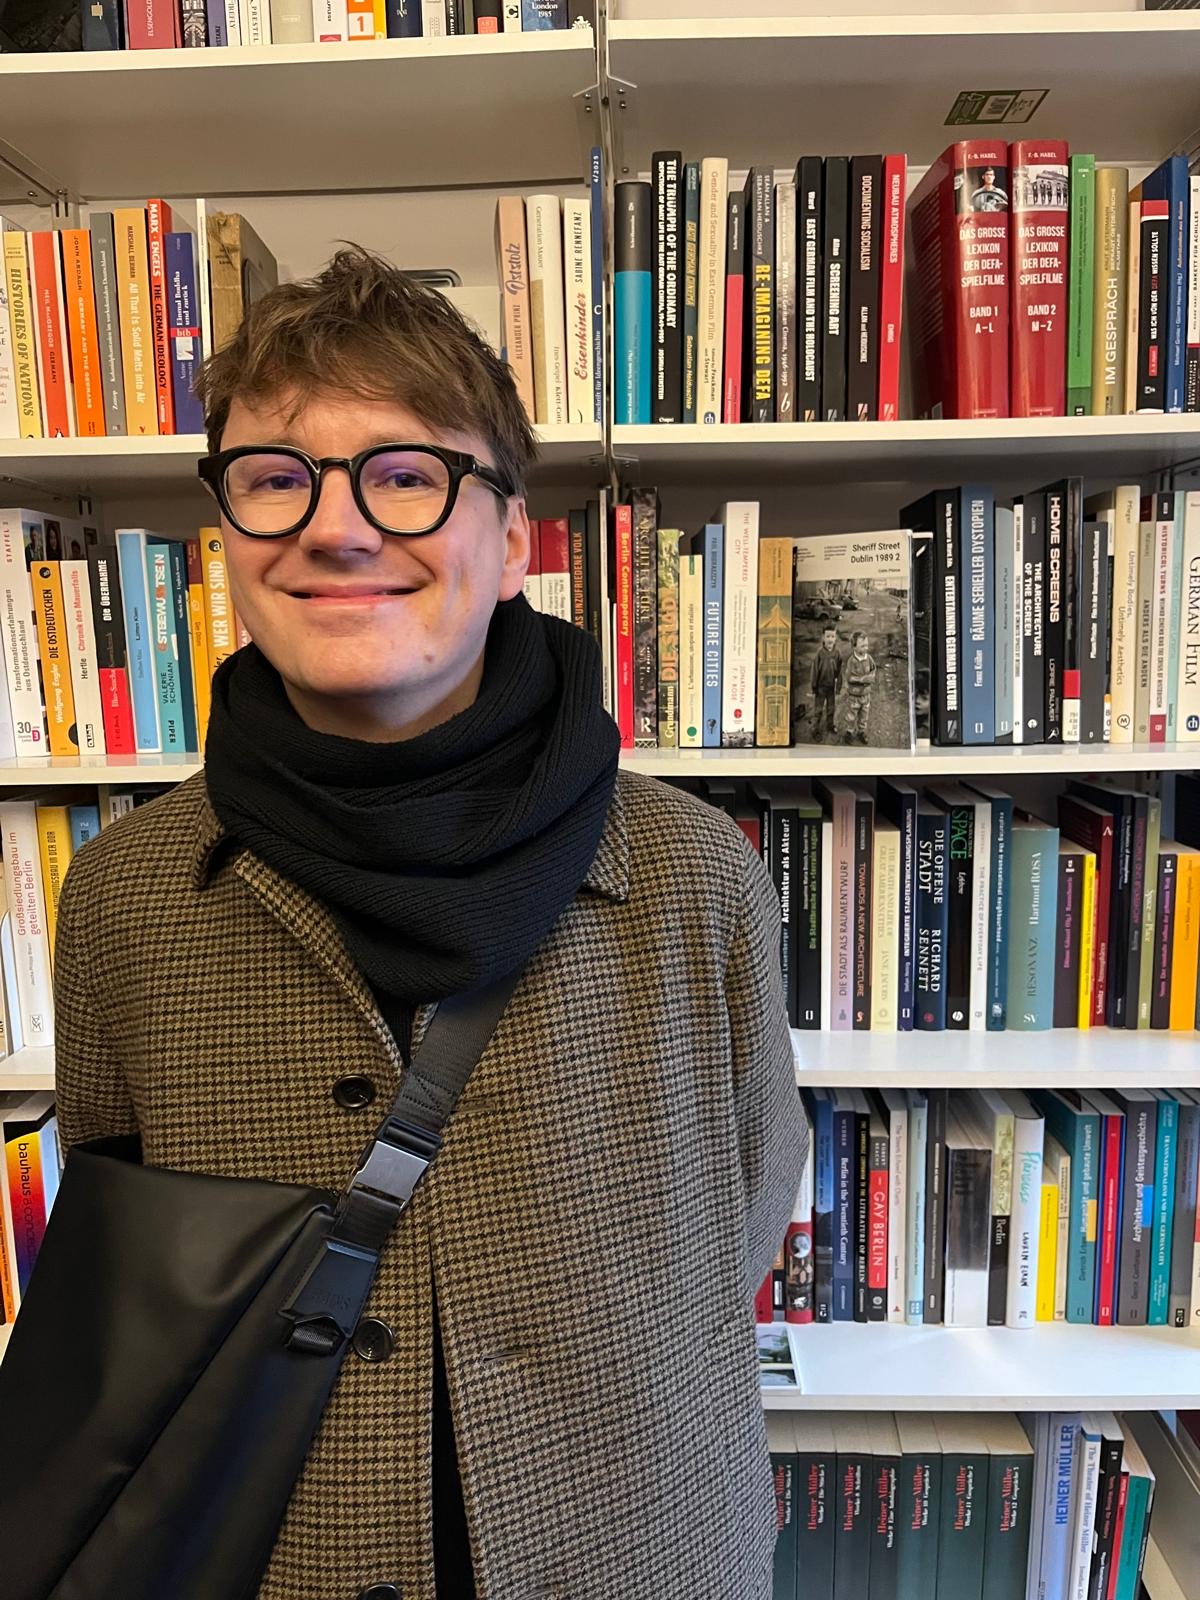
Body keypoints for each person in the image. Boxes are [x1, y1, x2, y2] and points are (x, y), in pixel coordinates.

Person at [51, 248, 806, 1600]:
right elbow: (128, 1273)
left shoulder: (698, 875)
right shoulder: (128, 897)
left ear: (513, 538)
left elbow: (739, 1223)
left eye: (405, 475)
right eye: (276, 477)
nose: (336, 528)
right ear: (224, 533)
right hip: (256, 1554)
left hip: (638, 1546)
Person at [843, 629, 877, 745]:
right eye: (862, 646)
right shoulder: (851, 661)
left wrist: (870, 677)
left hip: (866, 695)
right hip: (854, 695)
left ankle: (861, 731)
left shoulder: (869, 659)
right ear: (854, 647)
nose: (866, 648)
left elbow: (873, 671)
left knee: (864, 715)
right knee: (851, 715)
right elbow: (849, 677)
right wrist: (862, 679)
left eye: (866, 645)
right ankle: (849, 731)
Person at [810, 622, 843, 740]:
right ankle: (815, 729)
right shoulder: (820, 653)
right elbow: (814, 671)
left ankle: (830, 725)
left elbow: (839, 672)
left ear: (836, 638)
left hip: (831, 687)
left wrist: (838, 687)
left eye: (833, 636)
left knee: (831, 708)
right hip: (820, 687)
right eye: (828, 636)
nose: (830, 639)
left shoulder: (837, 653)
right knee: (818, 709)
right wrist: (814, 686)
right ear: (823, 638)